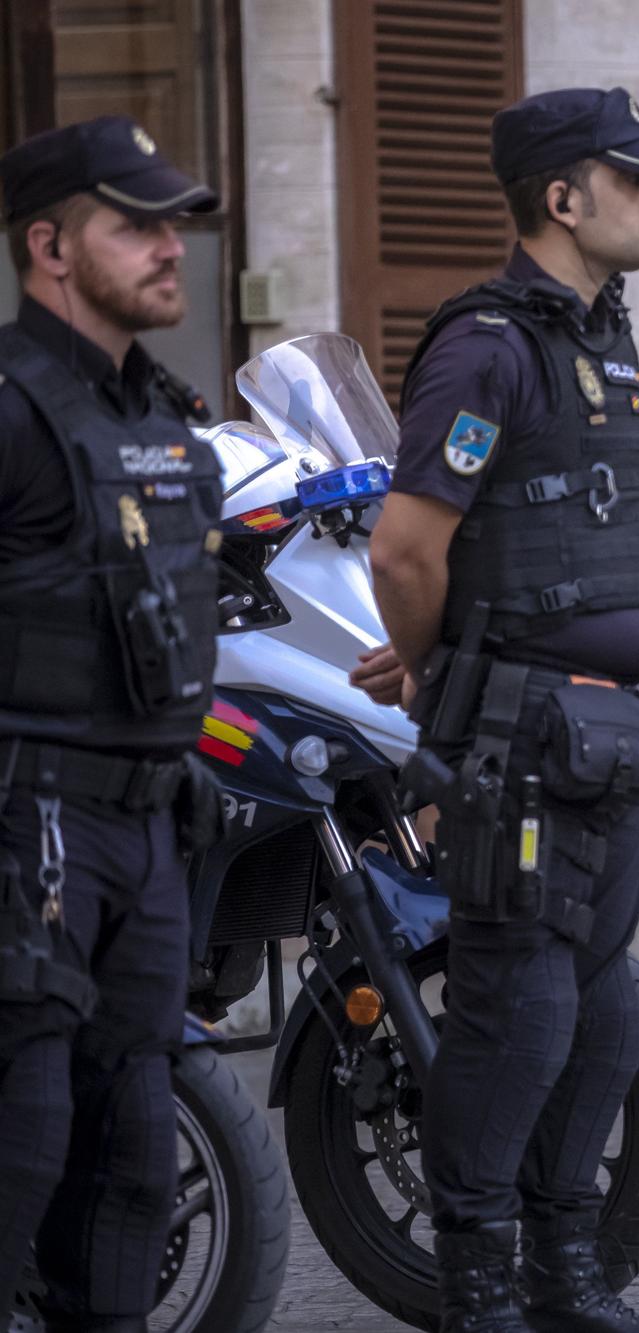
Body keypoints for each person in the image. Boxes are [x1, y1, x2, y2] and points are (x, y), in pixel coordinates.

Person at [368, 87, 639, 1333]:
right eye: (636, 178)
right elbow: (408, 547)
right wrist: (425, 667)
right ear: (562, 199)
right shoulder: (487, 345)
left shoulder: (597, 337)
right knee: (519, 1013)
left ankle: (568, 1280)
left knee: (605, 1006)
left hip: (610, 733)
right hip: (520, 737)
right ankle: (479, 1294)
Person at [0, 116, 226, 1331]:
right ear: (48, 244)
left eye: (171, 223)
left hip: (147, 832)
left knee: (139, 1156)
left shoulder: (162, 416)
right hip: (30, 818)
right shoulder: (12, 405)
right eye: (132, 224)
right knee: (23, 1142)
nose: (168, 247)